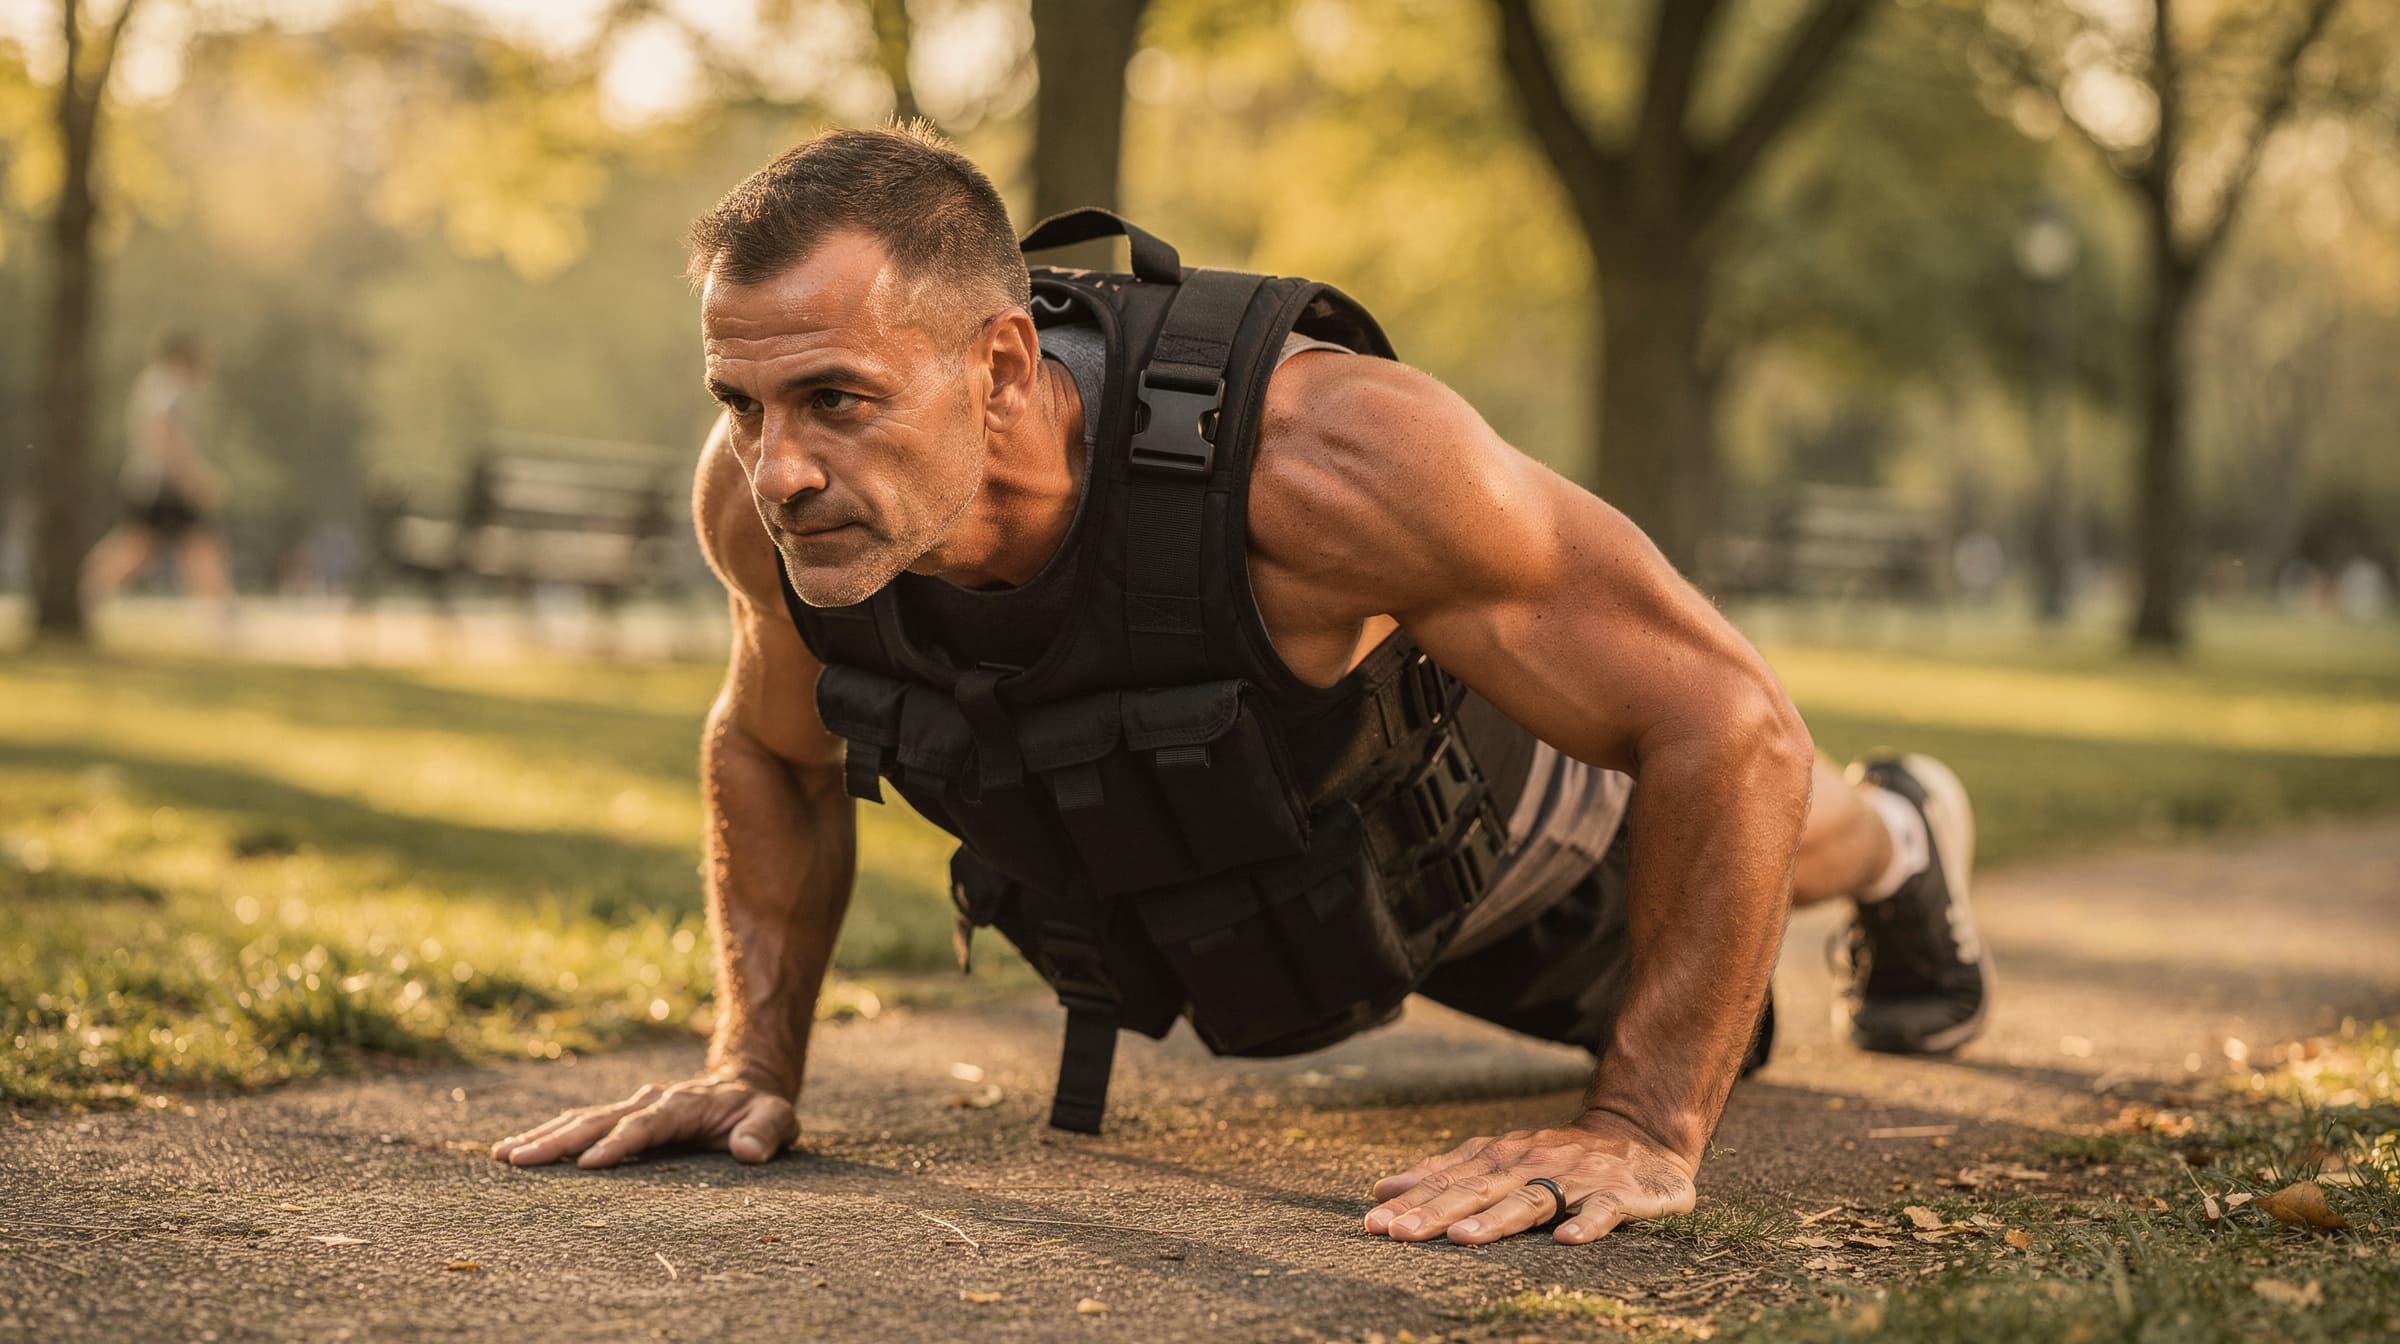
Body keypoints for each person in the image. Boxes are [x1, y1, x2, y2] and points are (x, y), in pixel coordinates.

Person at [490, 127, 1988, 1249]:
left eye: (837, 400)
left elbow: (1728, 725)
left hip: (1520, 846)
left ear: (1003, 364)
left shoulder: (1327, 459)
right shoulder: (762, 504)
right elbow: (767, 748)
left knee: (1783, 827)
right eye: (740, 404)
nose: (782, 464)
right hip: (1286, 891)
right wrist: (752, 1061)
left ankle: (1908, 835)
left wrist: (1646, 1126)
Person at [81, 332, 237, 623]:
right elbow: (163, 432)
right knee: (195, 543)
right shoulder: (169, 385)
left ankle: (89, 592)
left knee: (141, 547)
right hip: (163, 486)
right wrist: (191, 477)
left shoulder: (155, 384)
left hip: (153, 482)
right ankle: (222, 611)